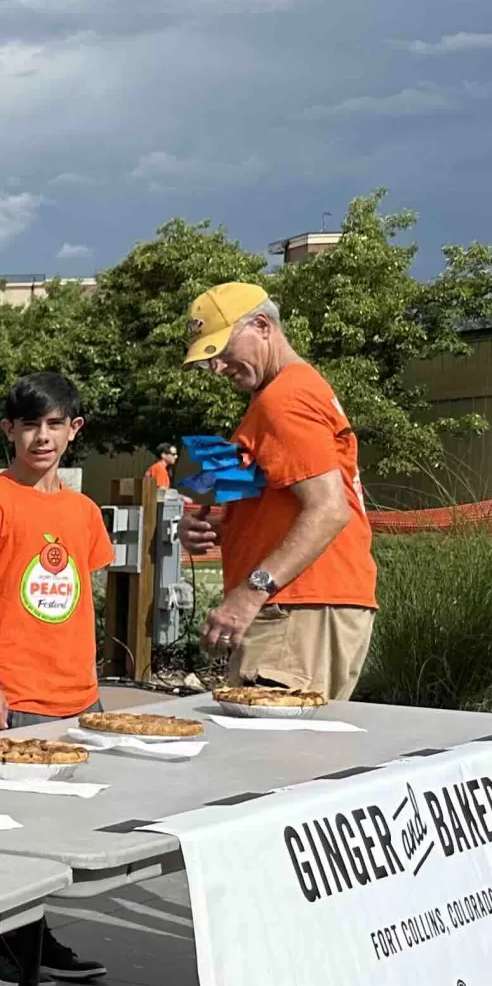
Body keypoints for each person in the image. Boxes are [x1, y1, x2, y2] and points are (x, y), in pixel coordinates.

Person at [0, 372, 113, 986]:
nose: (41, 436)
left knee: (58, 832)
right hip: (12, 693)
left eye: (54, 424)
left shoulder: (81, 509)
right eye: (28, 424)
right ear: (9, 430)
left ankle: (35, 936)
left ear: (74, 430)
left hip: (77, 695)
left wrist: (95, 687)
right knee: (7, 829)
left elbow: (77, 601)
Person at [179, 284, 377, 701]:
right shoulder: (296, 390)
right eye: (208, 358)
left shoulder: (283, 400)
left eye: (222, 350)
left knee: (268, 759)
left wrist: (248, 596)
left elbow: (327, 509)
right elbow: (301, 502)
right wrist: (224, 526)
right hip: (313, 607)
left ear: (263, 326)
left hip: (296, 610)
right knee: (302, 760)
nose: (217, 367)